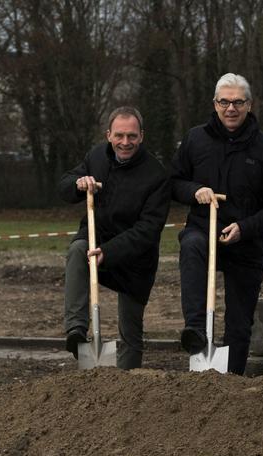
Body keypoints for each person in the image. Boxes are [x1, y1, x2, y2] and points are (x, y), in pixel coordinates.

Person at [171, 73, 263, 375]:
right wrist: (193, 190)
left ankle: (233, 381)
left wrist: (246, 228)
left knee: (239, 325)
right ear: (215, 104)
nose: (231, 108)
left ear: (250, 105)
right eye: (224, 102)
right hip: (204, 229)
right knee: (192, 243)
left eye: (238, 102)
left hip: (247, 241)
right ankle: (196, 329)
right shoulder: (196, 139)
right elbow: (173, 182)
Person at [60, 106, 171, 370]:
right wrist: (77, 183)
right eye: (119, 135)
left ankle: (127, 388)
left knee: (130, 332)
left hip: (135, 260)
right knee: (77, 249)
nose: (125, 142)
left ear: (141, 136)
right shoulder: (97, 156)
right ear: (108, 134)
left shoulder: (156, 174)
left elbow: (148, 229)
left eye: (131, 136)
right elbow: (64, 184)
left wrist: (109, 252)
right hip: (95, 241)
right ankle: (76, 330)